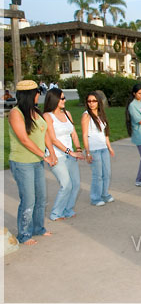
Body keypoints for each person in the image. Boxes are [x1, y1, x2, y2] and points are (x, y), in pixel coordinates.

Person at [8, 80, 57, 245]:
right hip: (23, 162)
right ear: (30, 95)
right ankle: (24, 234)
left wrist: (51, 153)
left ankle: (38, 228)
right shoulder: (16, 113)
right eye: (37, 93)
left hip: (37, 161)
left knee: (41, 197)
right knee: (28, 199)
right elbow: (24, 139)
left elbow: (45, 134)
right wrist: (45, 156)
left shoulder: (35, 111)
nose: (39, 96)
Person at [43, 88, 84, 221]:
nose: (64, 100)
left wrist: (78, 149)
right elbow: (53, 139)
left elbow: (73, 133)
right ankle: (56, 213)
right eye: (62, 98)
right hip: (56, 155)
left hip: (70, 154)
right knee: (66, 184)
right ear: (54, 99)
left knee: (76, 184)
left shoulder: (67, 113)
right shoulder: (47, 116)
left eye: (64, 97)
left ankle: (67, 209)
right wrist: (69, 151)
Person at [81, 91, 115, 207]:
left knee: (107, 173)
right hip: (94, 149)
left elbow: (105, 133)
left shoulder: (101, 114)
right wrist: (88, 152)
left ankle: (104, 194)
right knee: (98, 175)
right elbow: (84, 135)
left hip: (103, 148)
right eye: (89, 101)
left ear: (98, 102)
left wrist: (109, 147)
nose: (91, 103)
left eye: (94, 101)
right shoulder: (86, 115)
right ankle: (95, 197)